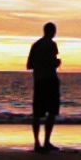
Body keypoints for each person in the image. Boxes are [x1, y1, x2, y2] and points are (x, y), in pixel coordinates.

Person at [26, 22, 61, 151]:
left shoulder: (36, 45)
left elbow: (29, 65)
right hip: (50, 80)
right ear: (52, 32)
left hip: (39, 81)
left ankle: (37, 142)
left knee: (37, 113)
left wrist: (39, 64)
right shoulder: (51, 45)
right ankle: (46, 141)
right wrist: (56, 63)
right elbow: (52, 62)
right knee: (51, 112)